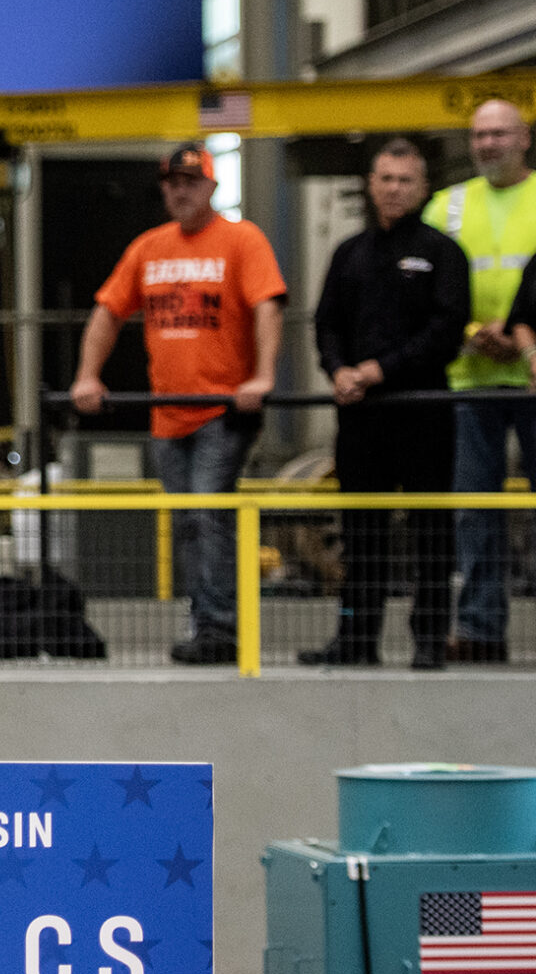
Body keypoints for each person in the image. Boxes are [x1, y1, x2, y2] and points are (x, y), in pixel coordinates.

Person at [69, 141, 286, 665]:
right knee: (187, 520)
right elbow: (107, 312)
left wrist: (261, 376)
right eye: (171, 183)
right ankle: (203, 617)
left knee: (209, 511)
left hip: (221, 409)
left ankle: (220, 627)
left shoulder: (242, 239)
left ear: (212, 186)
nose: (180, 191)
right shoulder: (149, 248)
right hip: (167, 414)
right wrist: (87, 376)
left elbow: (268, 307)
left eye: (190, 181)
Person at [303, 139, 471, 668]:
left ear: (423, 189)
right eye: (385, 179)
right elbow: (326, 323)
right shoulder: (349, 254)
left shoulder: (443, 254)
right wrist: (338, 371)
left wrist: (380, 370)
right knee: (361, 531)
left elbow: (445, 332)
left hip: (423, 414)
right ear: (370, 185)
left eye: (405, 180)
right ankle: (356, 638)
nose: (394, 189)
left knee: (431, 531)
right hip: (360, 418)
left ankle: (428, 640)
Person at [427, 98, 536, 663]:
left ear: (524, 139)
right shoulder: (446, 206)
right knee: (475, 508)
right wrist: (472, 330)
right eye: (478, 134)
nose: (487, 143)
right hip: (470, 376)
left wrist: (518, 331)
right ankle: (480, 631)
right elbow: (428, 284)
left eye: (498, 133)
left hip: (532, 375)